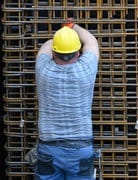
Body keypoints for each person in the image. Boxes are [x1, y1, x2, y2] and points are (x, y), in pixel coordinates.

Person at [35, 19, 99, 180]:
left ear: (54, 52)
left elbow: (45, 48)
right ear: (78, 52)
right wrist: (72, 27)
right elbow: (91, 41)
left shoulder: (43, 69)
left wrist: (60, 35)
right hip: (81, 148)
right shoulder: (86, 69)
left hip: (49, 148)